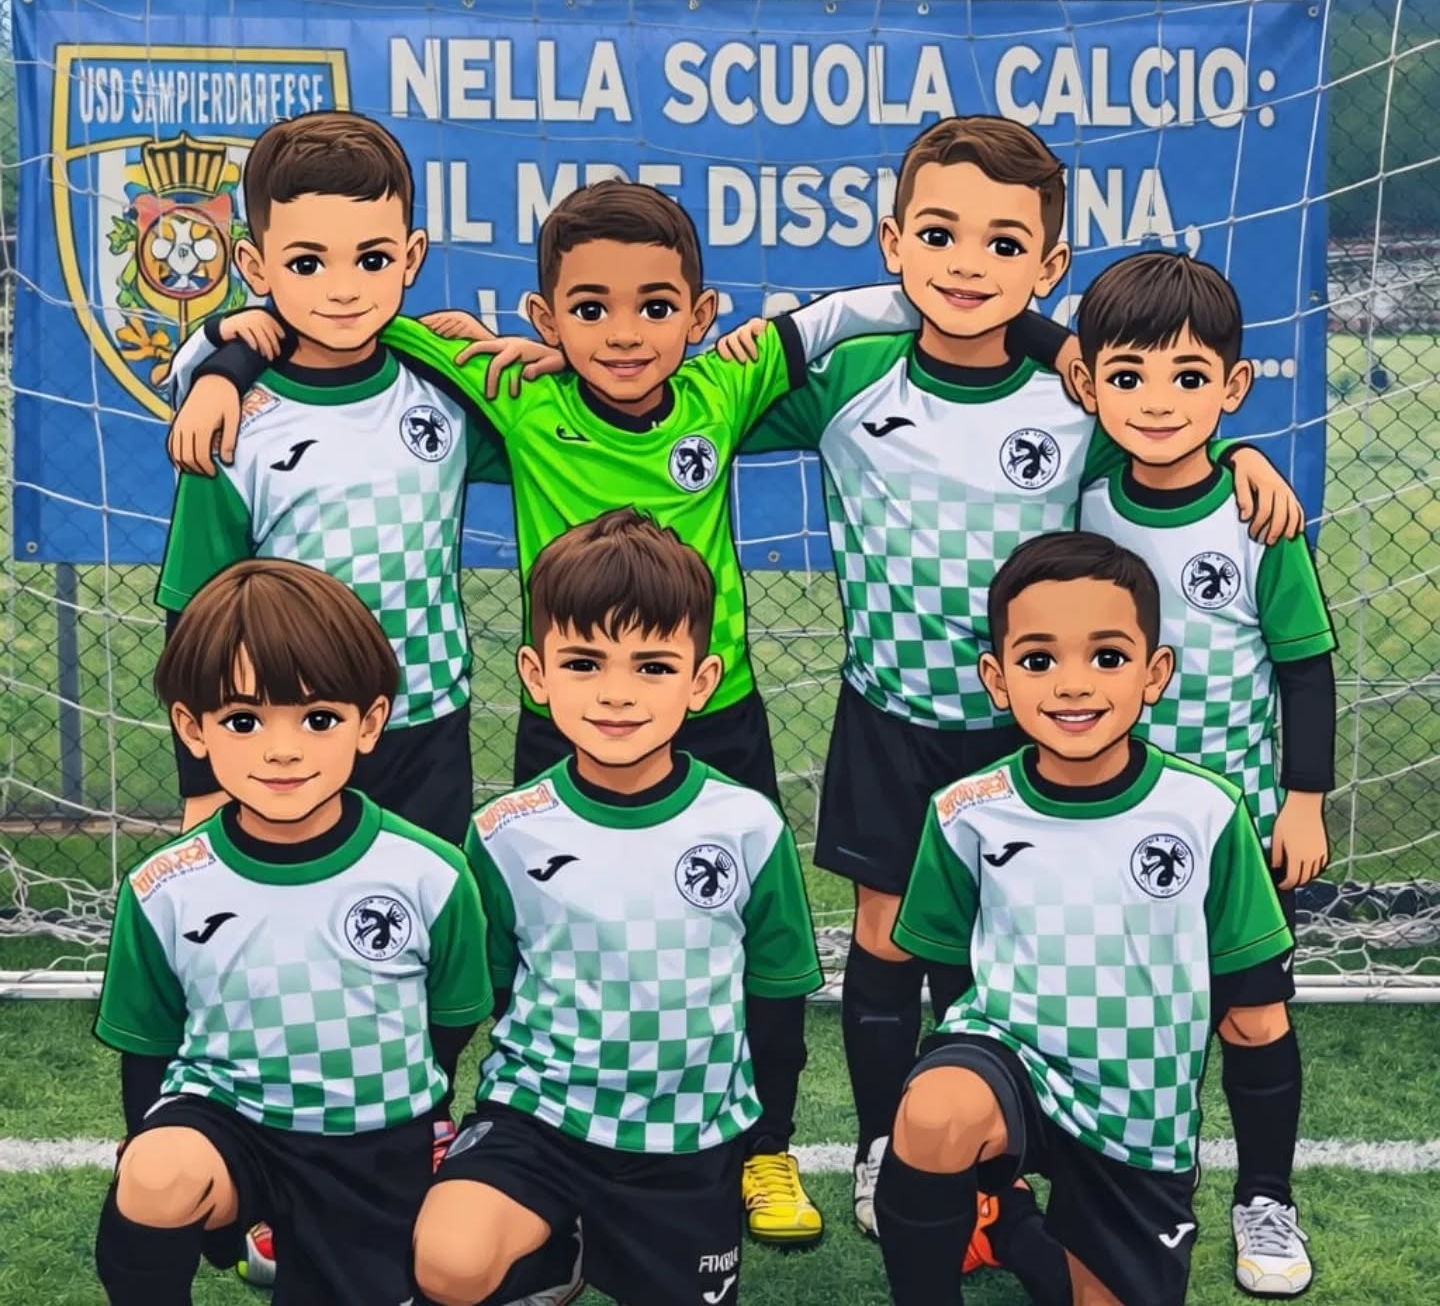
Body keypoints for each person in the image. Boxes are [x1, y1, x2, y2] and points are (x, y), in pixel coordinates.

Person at [169, 174, 1054, 1243]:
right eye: (590, 309)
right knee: (543, 938)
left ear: (702, 314)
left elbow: (861, 311)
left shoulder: (727, 385)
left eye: (655, 307)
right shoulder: (512, 390)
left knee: (748, 948)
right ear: (544, 319)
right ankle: (522, 1132)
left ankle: (762, 1146)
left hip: (715, 718)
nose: (625, 334)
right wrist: (218, 360)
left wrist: (1051, 341)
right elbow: (336, 316)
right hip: (568, 725)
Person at [730, 113, 1305, 1256]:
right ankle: (886, 1145)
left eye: (1003, 245)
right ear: (894, 243)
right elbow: (679, 406)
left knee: (1004, 947)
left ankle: (1005, 1157)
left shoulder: (1074, 393)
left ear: (1048, 266)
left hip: (1036, 733)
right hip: (892, 711)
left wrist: (1242, 456)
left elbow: (1168, 441)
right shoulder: (849, 376)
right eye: (939, 235)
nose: (967, 265)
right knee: (886, 935)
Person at [412, 508, 823, 1306]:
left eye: (653, 666)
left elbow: (776, 998)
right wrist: (425, 1115)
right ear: (536, 675)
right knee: (449, 1261)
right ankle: (545, 1248)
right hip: (539, 1121)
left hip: (687, 1141)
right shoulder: (505, 831)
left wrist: (763, 1139)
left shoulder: (747, 826)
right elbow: (474, 996)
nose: (616, 694)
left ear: (701, 681)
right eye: (584, 662)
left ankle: (577, 1244)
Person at [878, 530, 1294, 1306]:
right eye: (1039, 660)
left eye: (1107, 656)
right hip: (1012, 1058)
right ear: (998, 679)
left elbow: (1254, 1017)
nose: (1073, 685)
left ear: (1154, 673)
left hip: (1138, 1107)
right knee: (935, 1113)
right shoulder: (966, 811)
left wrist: (1265, 1178)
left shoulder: (1207, 812)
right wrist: (961, 1081)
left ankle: (1006, 1223)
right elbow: (949, 969)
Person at [93, 559, 492, 1306]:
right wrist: (143, 1138)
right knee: (156, 1173)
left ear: (369, 723)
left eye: (319, 719)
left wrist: (405, 1099)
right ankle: (217, 1217)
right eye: (244, 721)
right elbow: (147, 1044)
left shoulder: (430, 873)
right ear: (193, 728)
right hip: (228, 1122)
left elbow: (452, 1019)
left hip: (373, 1142)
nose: (282, 749)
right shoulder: (164, 885)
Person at [1072, 250, 1336, 1297]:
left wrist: (1304, 802)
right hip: (1105, 824)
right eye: (1127, 376)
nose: (1157, 401)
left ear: (1232, 387)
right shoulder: (1083, 502)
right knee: (1132, 1018)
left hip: (1237, 830)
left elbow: (1305, 669)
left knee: (1252, 1017)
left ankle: (1266, 1198)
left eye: (1188, 377)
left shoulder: (1258, 518)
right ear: (1090, 385)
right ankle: (1142, 1183)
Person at [155, 110, 511, 848]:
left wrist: (540, 363)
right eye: (308, 264)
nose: (344, 289)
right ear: (256, 268)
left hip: (426, 723)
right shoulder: (234, 421)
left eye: (372, 260)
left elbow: (565, 445)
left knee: (427, 906)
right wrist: (204, 782)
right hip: (291, 735)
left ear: (412, 257)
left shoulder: (444, 392)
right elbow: (194, 614)